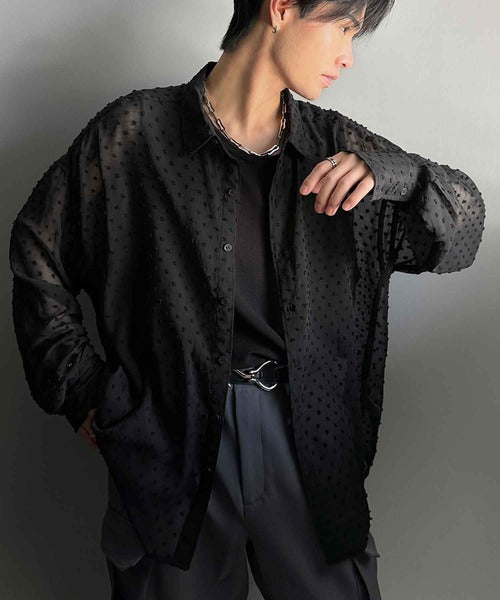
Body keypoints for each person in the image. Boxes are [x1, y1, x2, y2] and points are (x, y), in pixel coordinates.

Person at [8, 0, 485, 598]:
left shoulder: (334, 147)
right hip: (171, 442)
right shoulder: (137, 133)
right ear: (281, 7)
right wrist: (84, 391)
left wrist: (401, 176)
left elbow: (463, 233)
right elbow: (38, 249)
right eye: (342, 27)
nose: (348, 56)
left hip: (308, 439)